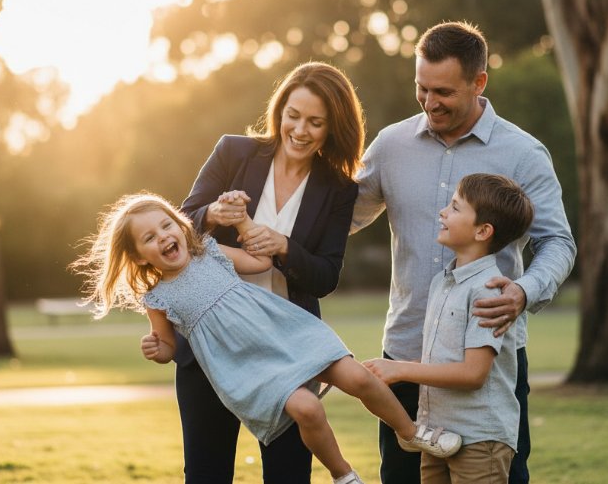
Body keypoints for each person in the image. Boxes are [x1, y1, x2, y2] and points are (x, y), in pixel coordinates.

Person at [76, 192, 463, 484]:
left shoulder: (208, 251)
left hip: (283, 331)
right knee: (308, 410)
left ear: (180, 226)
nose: (162, 237)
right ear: (140, 257)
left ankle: (411, 433)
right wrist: (156, 349)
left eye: (166, 226)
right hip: (248, 365)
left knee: (360, 377)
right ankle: (344, 475)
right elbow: (169, 348)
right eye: (148, 238)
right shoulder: (157, 297)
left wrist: (243, 224)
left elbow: (260, 262)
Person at [351, 21, 577, 484]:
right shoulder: (390, 146)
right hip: (405, 357)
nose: (430, 102)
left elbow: (557, 242)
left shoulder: (524, 153)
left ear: (479, 83)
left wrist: (523, 291)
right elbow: (340, 218)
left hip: (489, 368)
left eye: (444, 92)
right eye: (421, 88)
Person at [178, 62, 366, 483]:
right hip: (212, 343)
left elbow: (326, 276)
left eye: (315, 122)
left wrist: (285, 248)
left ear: (333, 127)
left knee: (289, 475)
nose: (300, 130)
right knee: (206, 474)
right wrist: (210, 213)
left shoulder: (339, 189)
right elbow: (179, 225)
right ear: (279, 111)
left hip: (287, 350)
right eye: (293, 116)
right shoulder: (234, 152)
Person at [364, 174, 535, 483]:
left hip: (479, 440)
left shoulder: (487, 292)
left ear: (483, 231)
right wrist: (384, 369)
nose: (443, 212)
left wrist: (401, 369)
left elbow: (472, 374)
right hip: (438, 436)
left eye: (455, 207)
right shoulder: (443, 282)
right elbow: (443, 360)